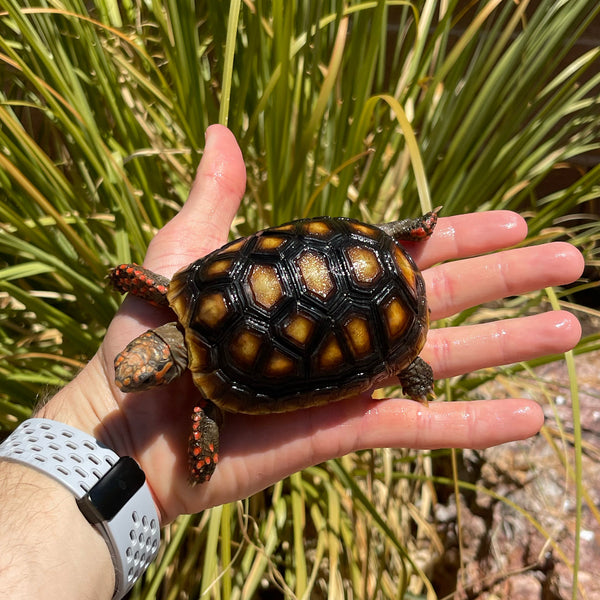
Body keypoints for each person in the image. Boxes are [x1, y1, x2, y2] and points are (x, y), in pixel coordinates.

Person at [0, 125, 584, 599]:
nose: (132, 372)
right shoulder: (187, 295)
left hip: (368, 291)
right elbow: (187, 397)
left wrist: (193, 454)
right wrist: (124, 433)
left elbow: (205, 423)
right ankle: (399, 280)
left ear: (167, 365)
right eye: (138, 366)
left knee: (373, 321)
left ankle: (406, 358)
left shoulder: (199, 360)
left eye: (136, 365)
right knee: (361, 264)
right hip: (362, 248)